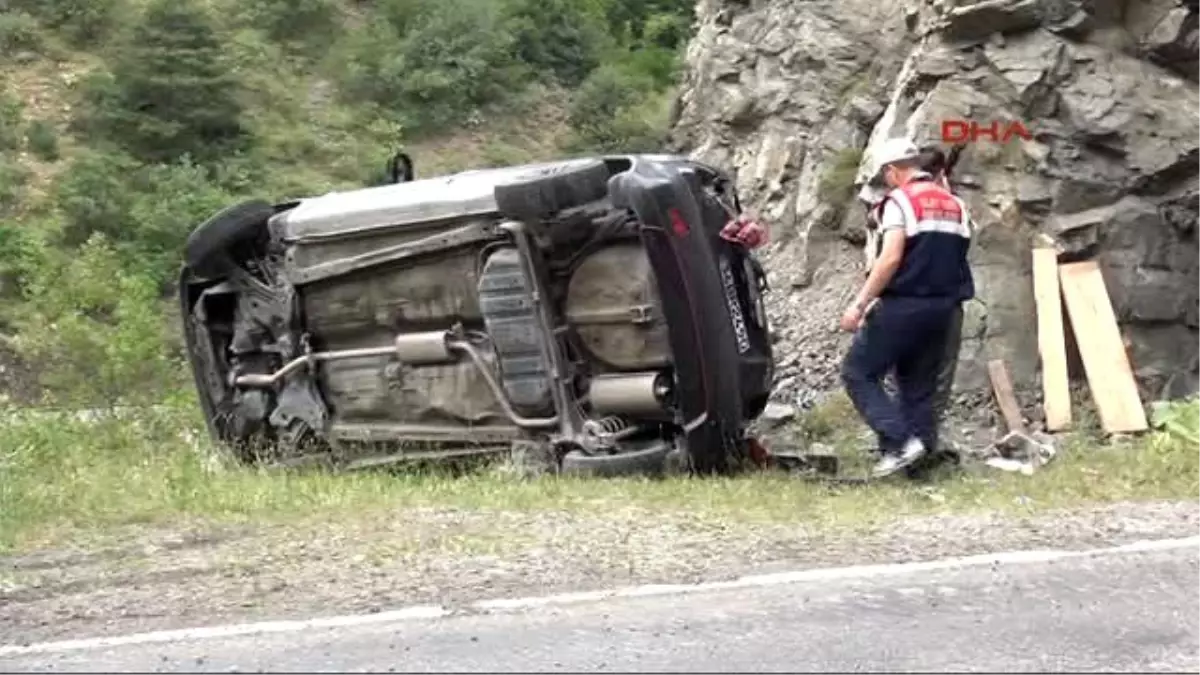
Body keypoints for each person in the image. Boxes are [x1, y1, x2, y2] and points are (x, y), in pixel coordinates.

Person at [839, 137, 974, 477]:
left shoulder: (900, 201)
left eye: (885, 175)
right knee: (918, 386)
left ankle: (899, 443)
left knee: (858, 371)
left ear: (893, 171)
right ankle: (918, 465)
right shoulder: (954, 203)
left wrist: (859, 304)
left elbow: (890, 258)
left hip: (905, 305)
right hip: (945, 309)